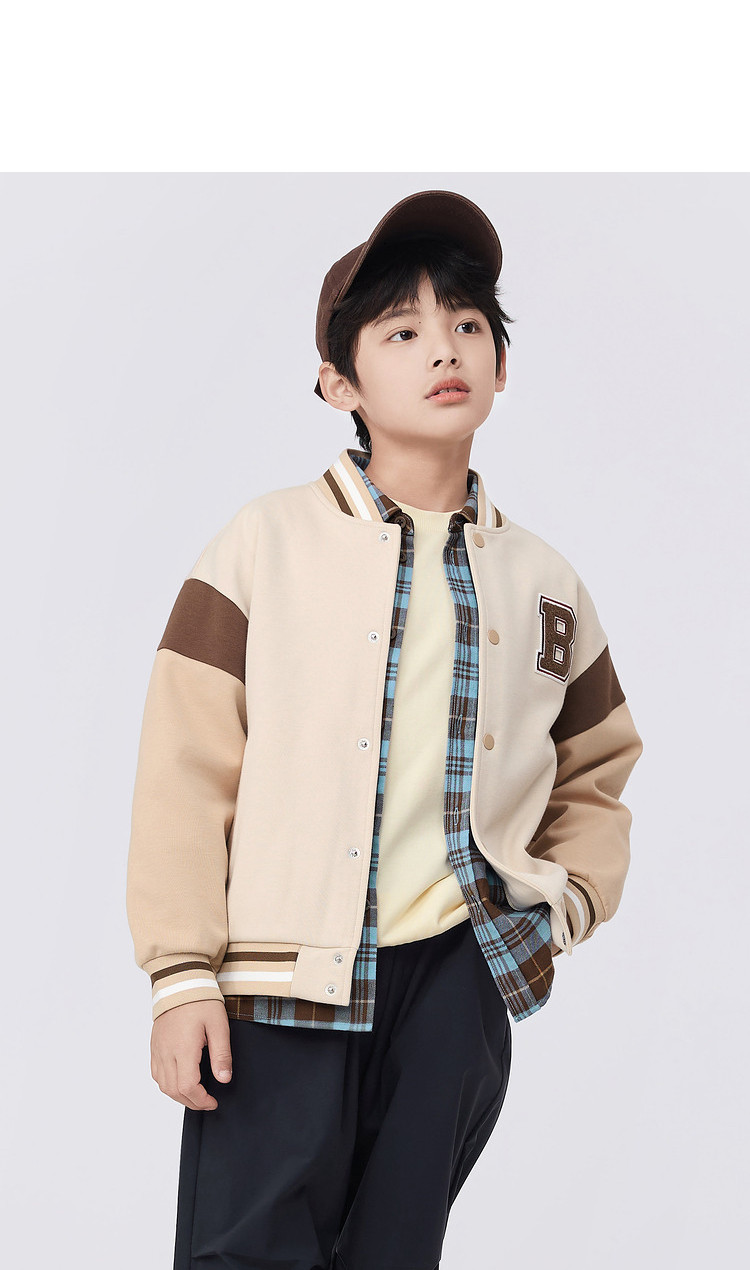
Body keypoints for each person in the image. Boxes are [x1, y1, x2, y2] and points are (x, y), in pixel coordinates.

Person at [126, 188, 644, 1270]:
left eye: (468, 323)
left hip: (456, 983)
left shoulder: (545, 584)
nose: (444, 348)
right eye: (402, 332)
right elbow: (185, 772)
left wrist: (561, 905)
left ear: (501, 363)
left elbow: (596, 768)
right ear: (339, 382)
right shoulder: (264, 545)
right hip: (279, 985)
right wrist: (182, 976)